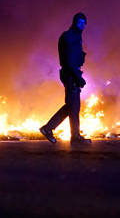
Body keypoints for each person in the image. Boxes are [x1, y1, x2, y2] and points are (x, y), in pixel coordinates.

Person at [40, 12, 92, 145]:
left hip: (73, 74)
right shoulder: (69, 37)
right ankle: (49, 129)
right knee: (72, 106)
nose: (82, 25)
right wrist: (77, 76)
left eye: (84, 23)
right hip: (70, 75)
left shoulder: (76, 36)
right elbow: (68, 61)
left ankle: (73, 136)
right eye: (80, 22)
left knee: (73, 107)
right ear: (74, 22)